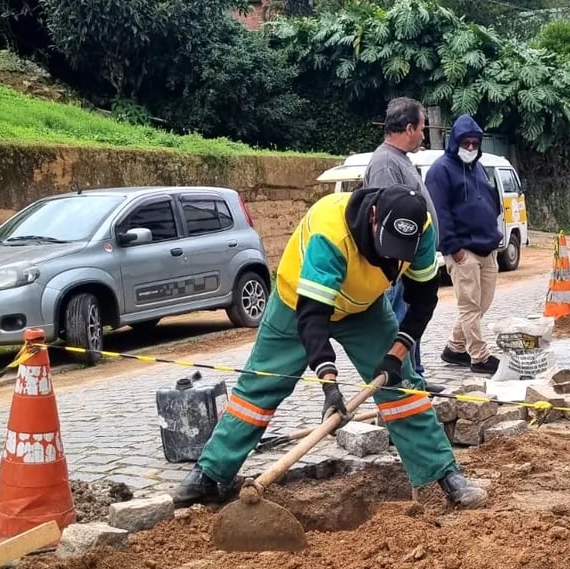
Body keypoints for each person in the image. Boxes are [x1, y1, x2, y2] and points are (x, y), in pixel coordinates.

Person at [172, 185, 487, 508]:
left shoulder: (420, 231)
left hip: (363, 309)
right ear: (374, 217)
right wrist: (329, 385)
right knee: (259, 389)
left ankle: (443, 474)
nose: (393, 256)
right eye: (387, 246)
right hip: (298, 305)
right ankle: (209, 475)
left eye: (400, 250)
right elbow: (313, 318)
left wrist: (396, 355)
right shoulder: (330, 233)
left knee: (403, 388)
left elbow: (422, 301)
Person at [363, 96, 443, 394]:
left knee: (412, 317)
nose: (424, 135)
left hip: (413, 258)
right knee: (400, 319)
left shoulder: (399, 160)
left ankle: (414, 376)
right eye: (422, 128)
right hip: (399, 262)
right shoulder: (385, 163)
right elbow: (384, 218)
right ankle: (401, 379)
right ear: (409, 128)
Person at [426, 114, 503, 376]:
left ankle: (455, 347)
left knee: (482, 303)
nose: (470, 148)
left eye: (474, 143)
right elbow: (439, 212)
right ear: (455, 141)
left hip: (487, 247)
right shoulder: (441, 170)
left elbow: (490, 200)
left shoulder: (478, 168)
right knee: (469, 305)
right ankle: (479, 356)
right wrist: (453, 249)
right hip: (463, 250)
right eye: (466, 143)